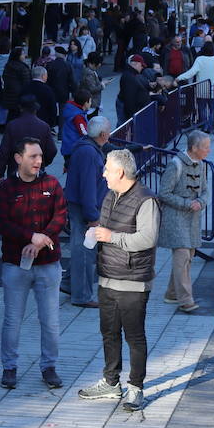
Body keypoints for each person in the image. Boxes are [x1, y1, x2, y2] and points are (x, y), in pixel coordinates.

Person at [78, 148, 160, 411]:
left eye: (107, 169)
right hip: (107, 277)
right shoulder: (110, 196)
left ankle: (136, 388)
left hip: (133, 281)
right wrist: (97, 235)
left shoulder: (146, 200)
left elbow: (147, 238)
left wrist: (111, 237)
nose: (103, 174)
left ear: (120, 172)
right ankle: (112, 382)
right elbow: (106, 230)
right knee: (108, 333)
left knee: (134, 337)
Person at [0, 138, 68, 390]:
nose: (39, 161)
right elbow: (3, 224)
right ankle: (10, 367)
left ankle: (49, 367)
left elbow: (60, 217)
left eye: (40, 157)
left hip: (48, 264)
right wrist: (29, 237)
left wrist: (39, 241)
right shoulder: (5, 188)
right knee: (12, 319)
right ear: (18, 158)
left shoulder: (52, 184)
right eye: (33, 156)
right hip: (15, 265)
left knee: (50, 320)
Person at [158, 130, 211, 312]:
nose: (208, 151)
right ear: (194, 148)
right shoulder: (176, 164)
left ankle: (171, 294)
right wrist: (187, 203)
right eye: (205, 147)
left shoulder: (202, 164)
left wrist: (201, 202)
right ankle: (185, 300)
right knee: (182, 258)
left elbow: (205, 190)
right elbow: (163, 193)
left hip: (193, 219)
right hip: (176, 219)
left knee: (188, 257)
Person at [65, 116, 111, 309]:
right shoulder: (89, 153)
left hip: (83, 207)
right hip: (85, 210)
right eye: (108, 131)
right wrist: (92, 216)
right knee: (84, 252)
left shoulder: (87, 148)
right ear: (102, 134)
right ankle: (81, 296)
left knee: (81, 249)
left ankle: (69, 283)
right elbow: (88, 187)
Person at [0, 94, 57, 180]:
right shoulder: (44, 126)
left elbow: (4, 152)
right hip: (36, 171)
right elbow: (52, 150)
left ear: (21, 108)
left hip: (15, 170)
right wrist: (42, 162)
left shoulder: (12, 125)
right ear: (35, 109)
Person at [176, 42, 214, 133]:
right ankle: (210, 127)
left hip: (202, 89)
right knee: (212, 109)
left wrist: (179, 78)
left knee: (202, 108)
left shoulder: (199, 59)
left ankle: (204, 126)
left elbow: (191, 72)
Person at [0, 44, 32, 128]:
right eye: (22, 54)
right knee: (17, 114)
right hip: (19, 94)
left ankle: (8, 129)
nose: (24, 56)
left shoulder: (8, 66)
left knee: (11, 113)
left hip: (9, 94)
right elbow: (26, 82)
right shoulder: (22, 68)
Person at [59, 88, 91, 167]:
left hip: (69, 148)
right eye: (90, 101)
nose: (91, 103)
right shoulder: (78, 116)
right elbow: (84, 133)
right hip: (74, 150)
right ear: (85, 103)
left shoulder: (73, 110)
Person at [118, 54, 152, 125]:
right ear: (136, 64)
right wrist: (132, 117)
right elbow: (129, 98)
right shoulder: (129, 77)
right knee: (123, 127)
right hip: (130, 112)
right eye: (141, 65)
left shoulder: (131, 74)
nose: (142, 68)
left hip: (131, 110)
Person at [23, 64, 60, 129]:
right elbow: (52, 108)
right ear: (43, 76)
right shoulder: (48, 90)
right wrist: (52, 122)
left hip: (26, 120)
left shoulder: (25, 87)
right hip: (43, 121)